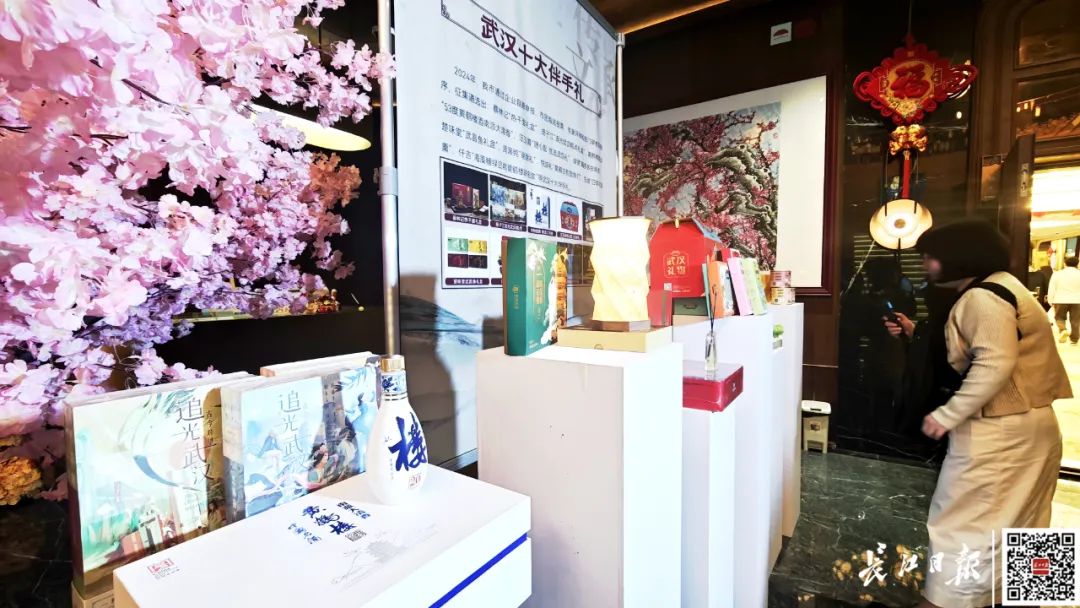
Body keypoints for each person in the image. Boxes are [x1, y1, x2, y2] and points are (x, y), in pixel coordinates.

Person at [884, 219, 1070, 608]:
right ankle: (1032, 596)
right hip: (1034, 425)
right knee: (1029, 519)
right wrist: (917, 332)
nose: (926, 265)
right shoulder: (1005, 285)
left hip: (1000, 430)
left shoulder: (981, 298)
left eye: (931, 257)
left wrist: (948, 414)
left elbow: (994, 362)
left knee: (958, 521)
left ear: (959, 258)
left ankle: (942, 603)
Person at [1049, 256, 1080, 344]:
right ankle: (1074, 339)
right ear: (1077, 264)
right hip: (1077, 300)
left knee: (1059, 317)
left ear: (1065, 263)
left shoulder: (1057, 274)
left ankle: (1063, 330)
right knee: (1075, 320)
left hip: (1060, 299)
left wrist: (1050, 301)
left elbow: (1052, 288)